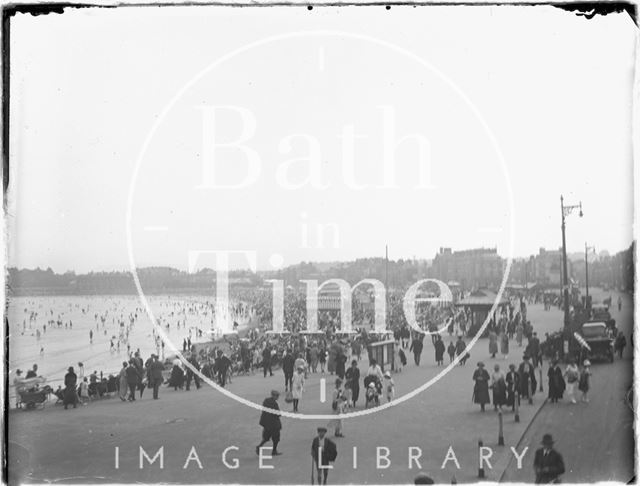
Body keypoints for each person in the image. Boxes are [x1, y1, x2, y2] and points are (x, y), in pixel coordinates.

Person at [256, 390, 282, 456]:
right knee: (276, 438)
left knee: (266, 437)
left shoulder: (266, 400)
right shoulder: (274, 403)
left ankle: (259, 446)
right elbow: (278, 414)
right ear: (274, 396)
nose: (278, 397)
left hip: (266, 423)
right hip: (273, 424)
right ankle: (274, 451)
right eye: (277, 396)